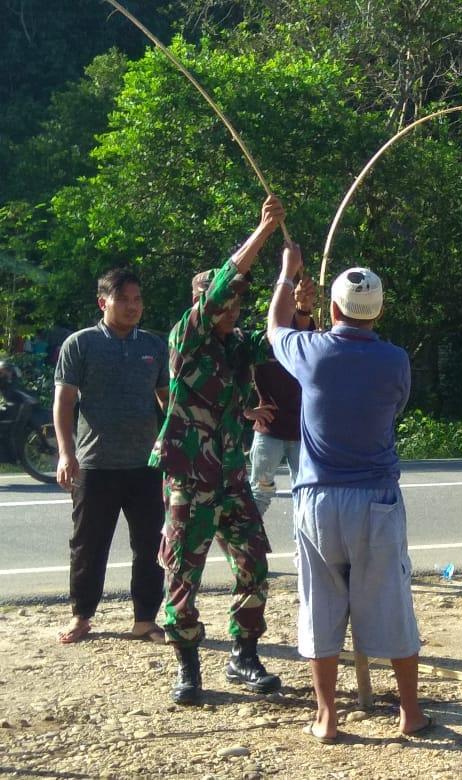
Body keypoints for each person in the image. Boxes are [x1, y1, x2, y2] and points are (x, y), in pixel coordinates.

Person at [267, 244, 429, 744]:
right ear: (377, 311)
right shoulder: (395, 360)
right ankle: (410, 713)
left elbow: (275, 327)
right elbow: (395, 406)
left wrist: (286, 276)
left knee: (320, 606)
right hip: (376, 498)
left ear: (334, 308)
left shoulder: (311, 352)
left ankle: (327, 717)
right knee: (392, 603)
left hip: (318, 499)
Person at [150, 195, 285, 705]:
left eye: (237, 306)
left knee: (254, 562)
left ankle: (243, 655)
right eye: (224, 304)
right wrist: (263, 231)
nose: (232, 311)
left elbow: (279, 339)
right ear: (205, 304)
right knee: (182, 572)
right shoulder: (187, 336)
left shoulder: (235, 345)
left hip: (231, 478)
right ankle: (187, 666)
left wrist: (295, 293)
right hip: (189, 479)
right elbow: (229, 279)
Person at [53, 269, 169, 645]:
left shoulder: (154, 345)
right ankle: (81, 615)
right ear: (103, 302)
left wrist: (176, 444)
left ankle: (145, 619)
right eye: (124, 299)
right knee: (88, 546)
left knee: (150, 546)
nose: (133, 306)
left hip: (146, 465)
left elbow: (167, 400)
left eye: (138, 299)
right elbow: (64, 402)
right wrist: (66, 454)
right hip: (95, 464)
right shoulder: (81, 344)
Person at [247, 278, 316, 517]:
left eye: (291, 304)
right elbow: (229, 375)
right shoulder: (259, 342)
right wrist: (246, 410)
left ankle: (303, 543)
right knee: (259, 493)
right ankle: (249, 541)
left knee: (305, 495)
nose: (288, 309)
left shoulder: (305, 338)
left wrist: (303, 305)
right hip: (269, 429)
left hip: (302, 432)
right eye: (283, 304)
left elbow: (304, 321)